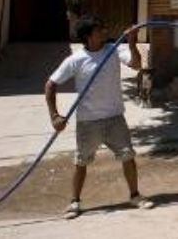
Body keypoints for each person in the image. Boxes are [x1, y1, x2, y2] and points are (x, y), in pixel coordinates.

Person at [45, 15, 154, 219]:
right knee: (81, 162)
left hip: (115, 118)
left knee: (128, 156)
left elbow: (137, 65)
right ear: (88, 36)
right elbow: (51, 84)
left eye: (104, 28)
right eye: (99, 30)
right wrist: (54, 116)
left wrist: (131, 42)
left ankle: (135, 195)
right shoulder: (75, 60)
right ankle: (75, 202)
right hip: (88, 122)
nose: (104, 32)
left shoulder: (113, 50)